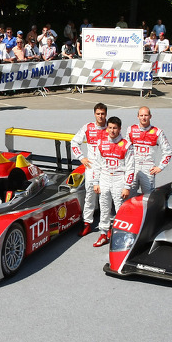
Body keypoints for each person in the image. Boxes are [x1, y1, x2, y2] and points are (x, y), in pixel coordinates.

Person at [91, 116, 135, 247]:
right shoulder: (101, 143)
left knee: (120, 209)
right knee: (104, 207)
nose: (112, 130)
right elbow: (96, 165)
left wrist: (127, 186)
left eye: (115, 128)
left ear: (120, 129)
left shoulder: (127, 145)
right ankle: (103, 234)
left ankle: (121, 235)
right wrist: (95, 182)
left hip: (119, 179)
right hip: (104, 178)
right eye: (110, 127)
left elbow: (130, 167)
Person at [70, 103, 108, 237]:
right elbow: (74, 142)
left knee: (105, 197)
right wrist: (81, 158)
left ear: (106, 114)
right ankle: (87, 224)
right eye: (98, 113)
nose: (100, 116)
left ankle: (106, 226)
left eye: (103, 114)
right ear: (94, 114)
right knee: (90, 197)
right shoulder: (88, 127)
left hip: (107, 168)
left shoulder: (111, 128)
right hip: (91, 168)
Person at [127, 107, 172, 195]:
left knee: (148, 197)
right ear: (138, 117)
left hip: (148, 168)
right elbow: (125, 150)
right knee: (129, 195)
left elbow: (168, 151)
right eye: (141, 115)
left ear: (150, 116)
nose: (144, 118)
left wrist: (160, 167)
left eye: (146, 115)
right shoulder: (131, 130)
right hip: (133, 166)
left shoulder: (157, 132)